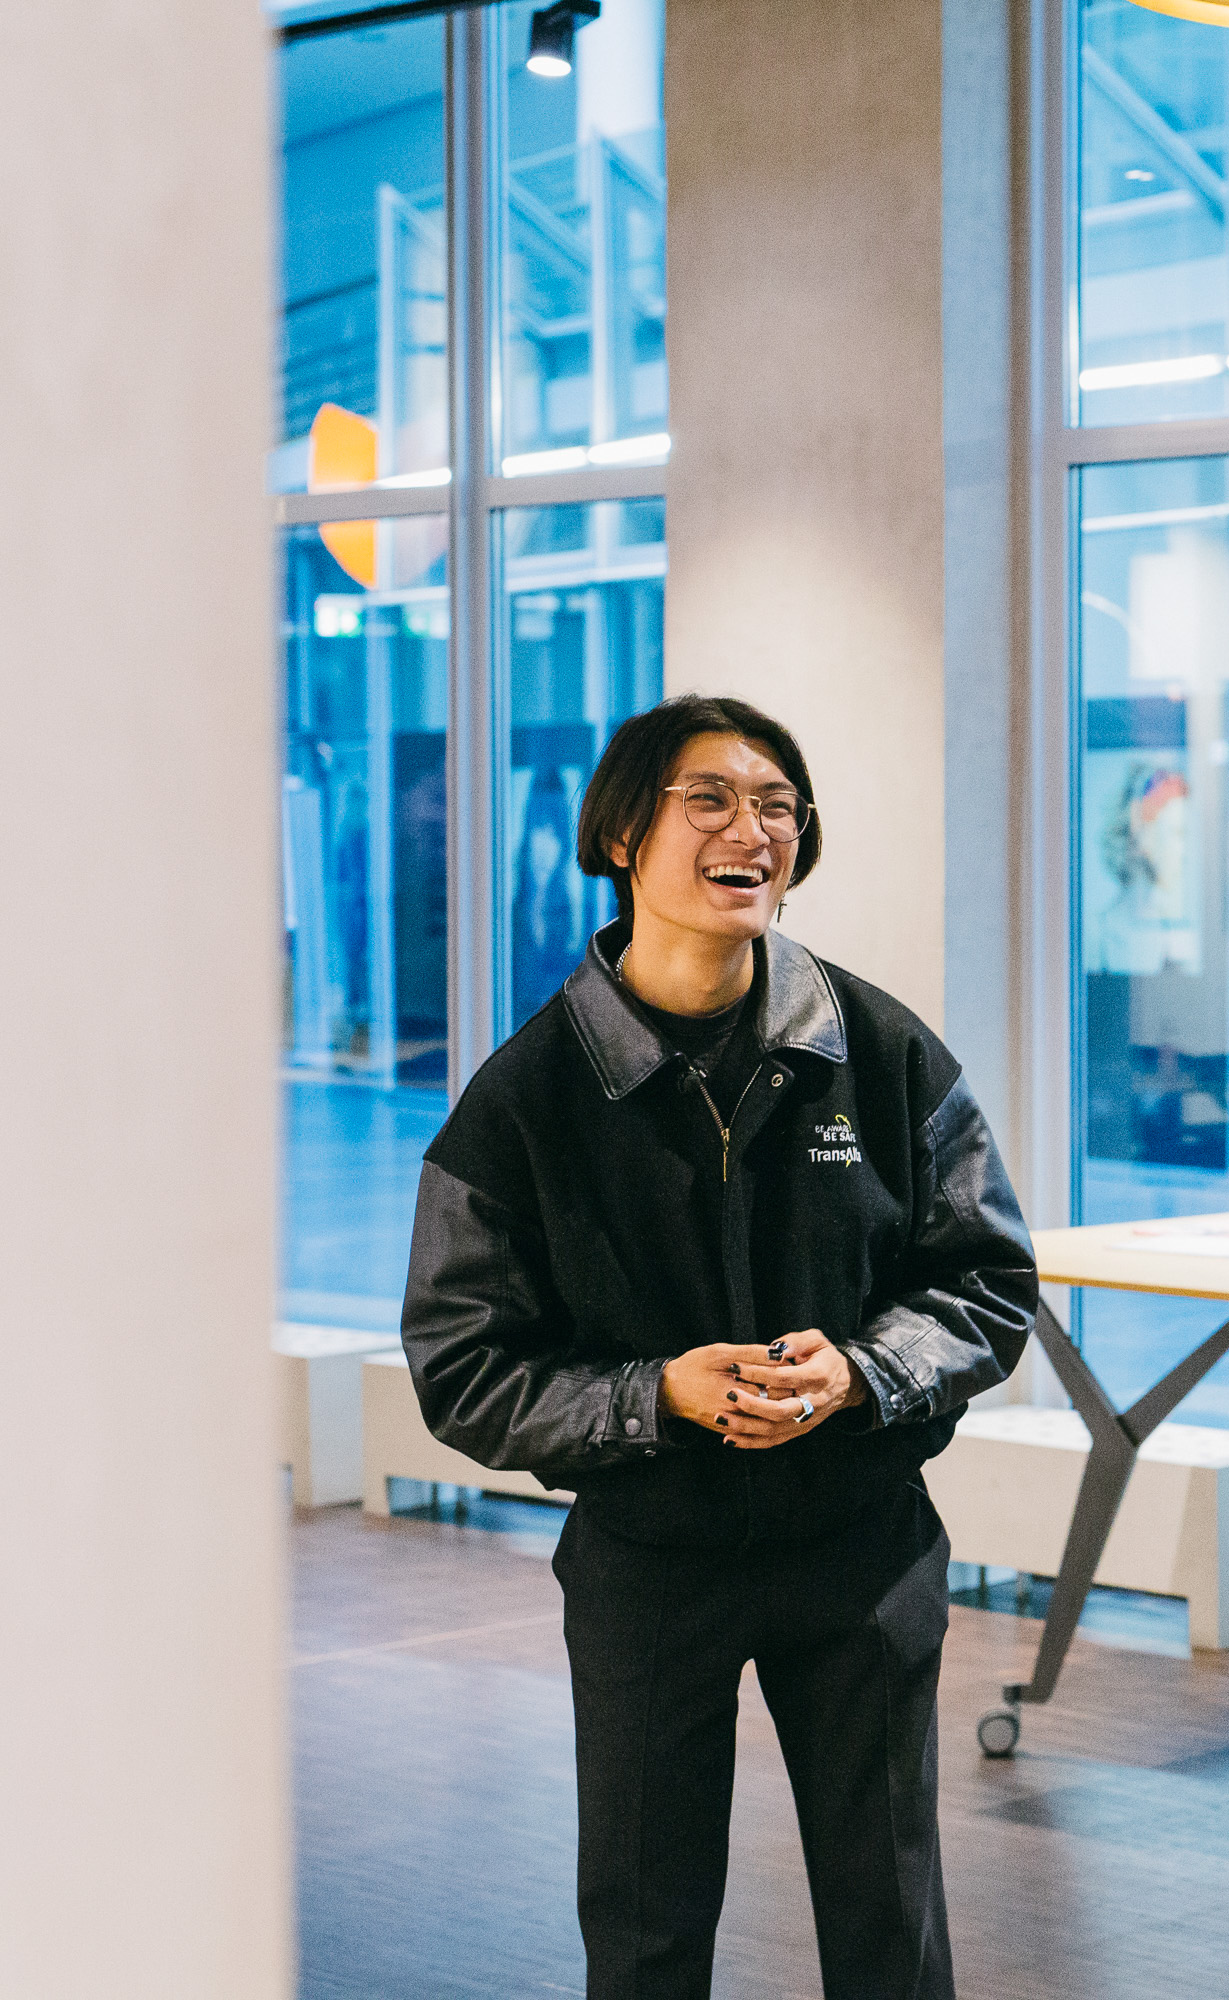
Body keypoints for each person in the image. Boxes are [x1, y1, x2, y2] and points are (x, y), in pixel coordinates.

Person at [401, 693, 1038, 2000]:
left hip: (863, 1550)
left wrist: (859, 1374)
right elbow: (462, 1365)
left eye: (777, 807)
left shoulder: (884, 1053)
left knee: (890, 1917)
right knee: (645, 1929)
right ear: (621, 834)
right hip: (650, 1562)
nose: (751, 830)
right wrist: (656, 1397)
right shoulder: (527, 1098)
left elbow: (987, 1281)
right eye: (711, 799)